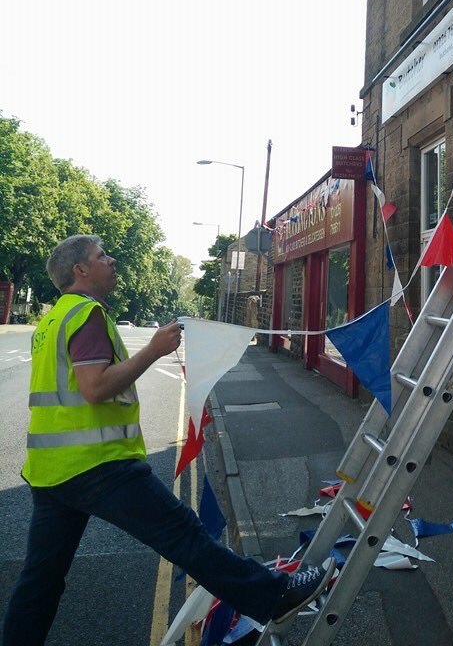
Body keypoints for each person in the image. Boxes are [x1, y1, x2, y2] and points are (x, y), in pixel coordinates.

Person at [3, 234, 334, 646]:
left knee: (41, 580)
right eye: (101, 255)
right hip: (98, 464)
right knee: (184, 535)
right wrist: (155, 350)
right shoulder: (86, 314)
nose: (112, 260)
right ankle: (274, 596)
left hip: (51, 472)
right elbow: (94, 388)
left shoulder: (53, 318)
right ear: (80, 270)